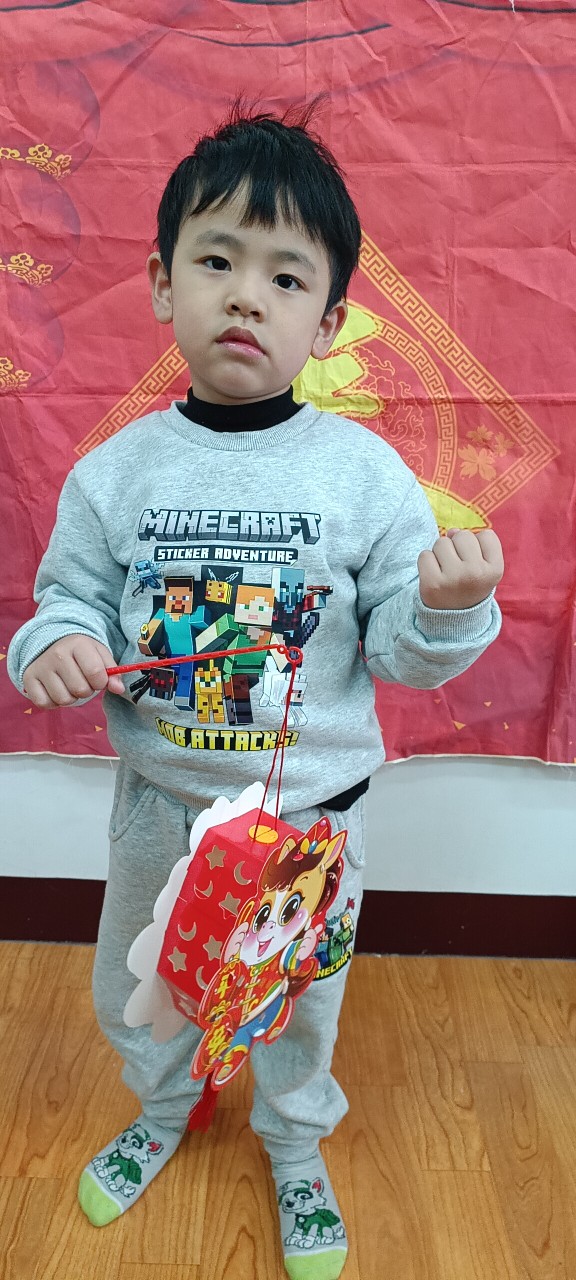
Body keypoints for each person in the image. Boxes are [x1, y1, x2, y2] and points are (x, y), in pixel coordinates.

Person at [7, 102, 504, 1280]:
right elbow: (64, 600)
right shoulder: (113, 472)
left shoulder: (365, 473)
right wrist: (55, 645)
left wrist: (447, 608)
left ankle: (293, 1143)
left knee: (300, 1000)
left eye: (286, 278)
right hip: (158, 813)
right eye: (217, 261)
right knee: (142, 984)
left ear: (328, 324)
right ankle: (163, 1108)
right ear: (161, 282)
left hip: (307, 826)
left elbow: (402, 651)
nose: (246, 297)